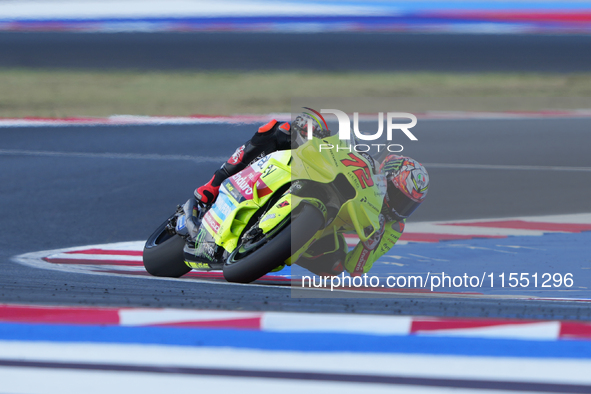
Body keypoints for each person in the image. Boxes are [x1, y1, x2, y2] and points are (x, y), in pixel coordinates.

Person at [185, 114, 429, 276]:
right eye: (399, 197)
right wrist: (318, 133)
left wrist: (369, 245)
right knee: (280, 130)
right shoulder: (367, 166)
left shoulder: (393, 226)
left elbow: (355, 268)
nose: (399, 208)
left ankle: (271, 247)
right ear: (386, 178)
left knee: (333, 266)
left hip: (324, 227)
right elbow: (341, 147)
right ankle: (212, 185)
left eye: (409, 205)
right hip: (314, 176)